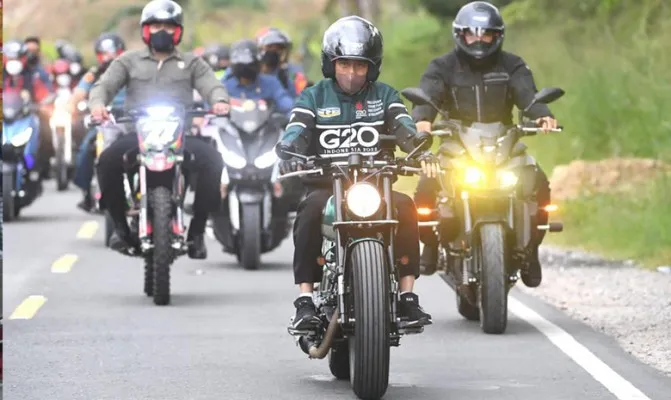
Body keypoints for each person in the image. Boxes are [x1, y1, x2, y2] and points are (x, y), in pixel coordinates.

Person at [275, 16, 438, 331]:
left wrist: (419, 147)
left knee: (406, 207)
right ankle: (305, 300)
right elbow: (297, 128)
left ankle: (407, 296)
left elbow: (404, 127)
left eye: (360, 66)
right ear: (331, 64)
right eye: (344, 64)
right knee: (308, 211)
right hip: (326, 185)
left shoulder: (386, 96)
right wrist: (289, 148)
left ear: (372, 67)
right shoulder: (314, 96)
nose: (352, 73)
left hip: (375, 184)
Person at [411, 1, 559, 287]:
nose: (479, 40)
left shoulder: (512, 65)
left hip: (505, 142)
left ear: (497, 36)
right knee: (427, 185)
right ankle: (429, 244)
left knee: (538, 183)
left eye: (486, 34)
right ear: (460, 35)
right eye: (472, 34)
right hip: (457, 145)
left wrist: (543, 116)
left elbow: (528, 95)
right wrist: (423, 121)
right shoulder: (442, 66)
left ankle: (531, 250)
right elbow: (427, 97)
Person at [89, 0, 230, 259]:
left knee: (213, 161)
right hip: (137, 134)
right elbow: (104, 86)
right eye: (156, 25)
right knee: (106, 161)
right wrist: (98, 105)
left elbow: (212, 86)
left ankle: (197, 231)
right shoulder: (127, 61)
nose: (161, 30)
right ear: (145, 30)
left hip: (180, 136)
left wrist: (219, 102)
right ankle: (120, 228)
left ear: (178, 30)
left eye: (168, 25)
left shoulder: (192, 63)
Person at [70, 32, 128, 212]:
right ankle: (87, 192)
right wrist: (75, 106)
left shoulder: (132, 70)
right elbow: (78, 94)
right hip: (105, 122)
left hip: (131, 120)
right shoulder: (93, 74)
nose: (109, 57)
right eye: (105, 53)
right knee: (86, 149)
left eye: (113, 52)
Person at [222, 39, 294, 115]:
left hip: (267, 126)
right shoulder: (224, 86)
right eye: (241, 66)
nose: (245, 70)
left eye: (250, 65)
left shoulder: (271, 83)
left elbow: (287, 105)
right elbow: (212, 108)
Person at [256, 27, 309, 98]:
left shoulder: (293, 73)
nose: (274, 50)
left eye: (279, 48)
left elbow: (302, 98)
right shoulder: (252, 72)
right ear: (260, 49)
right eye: (269, 46)